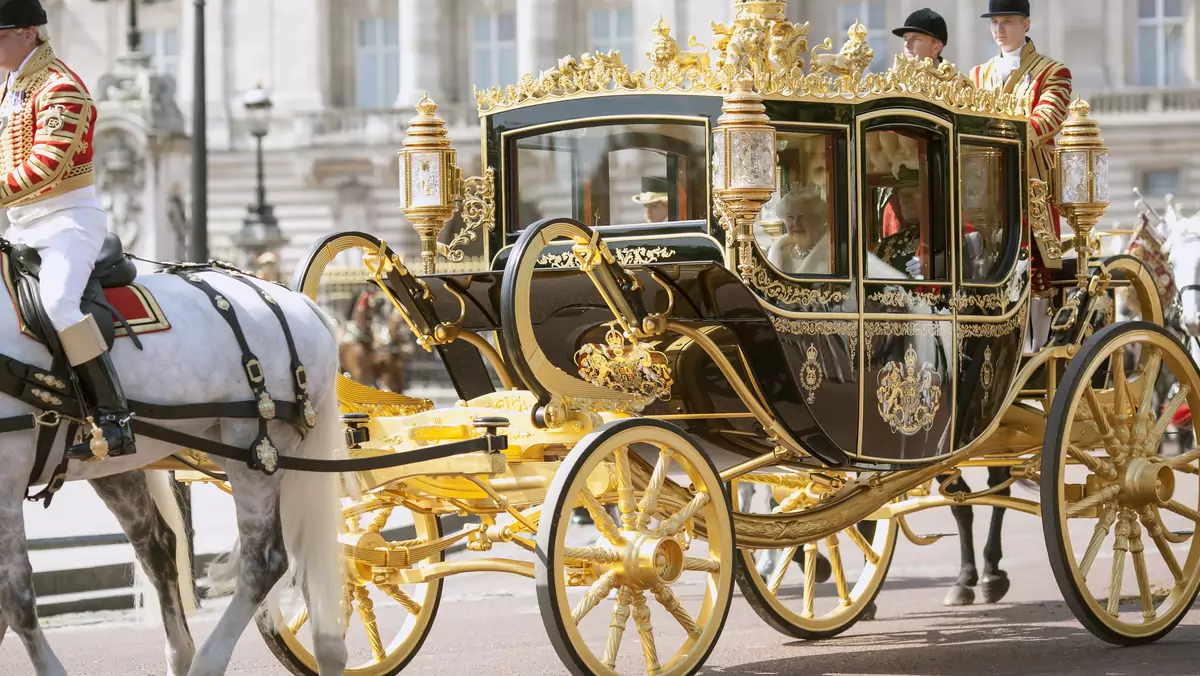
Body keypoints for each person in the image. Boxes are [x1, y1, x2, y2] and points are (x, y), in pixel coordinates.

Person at [0, 0, 134, 460]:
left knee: (58, 301)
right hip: (20, 224)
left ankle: (115, 417)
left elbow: (46, 166)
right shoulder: (13, 87)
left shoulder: (61, 86)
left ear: (28, 33)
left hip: (65, 221)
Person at [971, 0, 1072, 297]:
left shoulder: (1052, 71)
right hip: (985, 187)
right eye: (994, 22)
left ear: (1025, 24)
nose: (999, 29)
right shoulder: (977, 75)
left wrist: (1003, 139)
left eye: (1007, 22)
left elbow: (1048, 117)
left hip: (1031, 186)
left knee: (1037, 277)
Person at [767, 185, 830, 275]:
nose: (796, 223)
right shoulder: (780, 253)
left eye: (802, 216)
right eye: (790, 217)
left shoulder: (831, 254)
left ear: (819, 219)